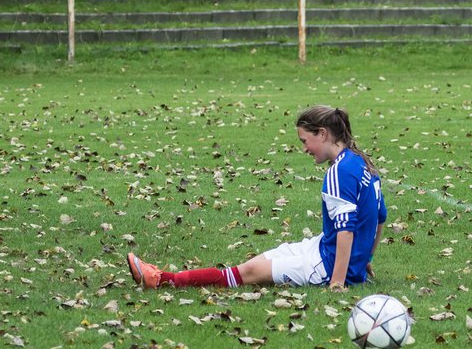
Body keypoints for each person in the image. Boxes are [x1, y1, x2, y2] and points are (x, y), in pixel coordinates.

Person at [127, 105, 386, 292]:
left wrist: (339, 281)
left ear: (322, 133)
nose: (304, 148)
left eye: (305, 140)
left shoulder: (339, 172)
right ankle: (162, 277)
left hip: (325, 265)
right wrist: (365, 261)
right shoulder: (360, 162)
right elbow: (380, 218)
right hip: (320, 248)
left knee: (246, 274)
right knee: (251, 265)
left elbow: (346, 231)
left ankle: (161, 279)